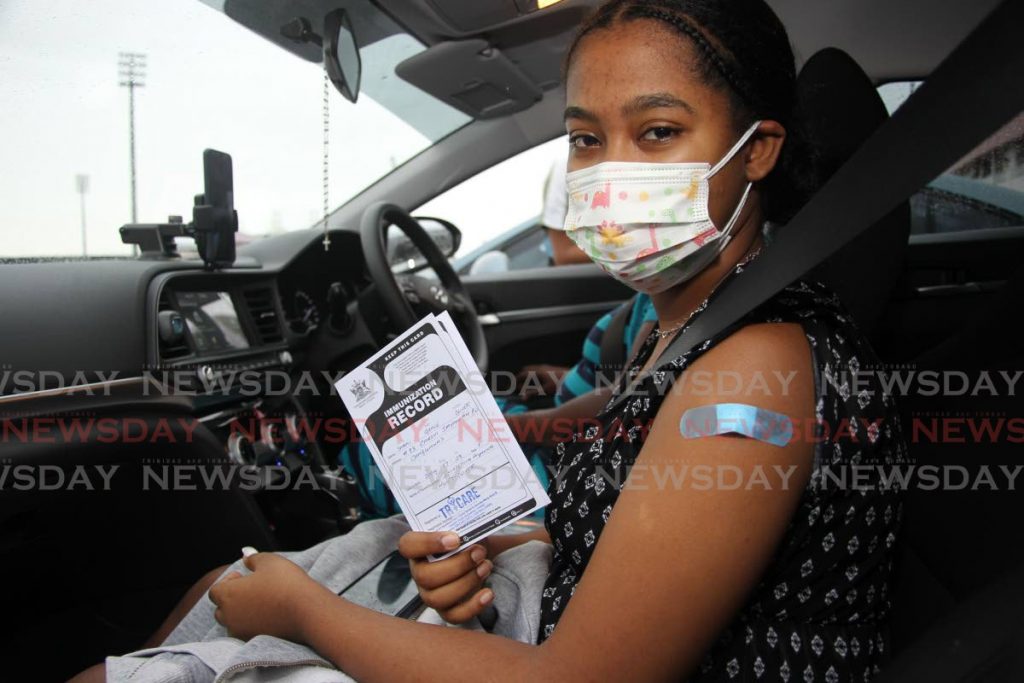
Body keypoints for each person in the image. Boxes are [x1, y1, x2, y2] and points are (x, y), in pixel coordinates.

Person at [73, 1, 907, 680]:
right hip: (556, 617)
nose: (609, 171)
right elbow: (630, 496)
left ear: (756, 150)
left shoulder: (755, 371)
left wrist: (303, 612)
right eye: (586, 137)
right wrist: (505, 543)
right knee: (219, 591)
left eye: (657, 132)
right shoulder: (694, 322)